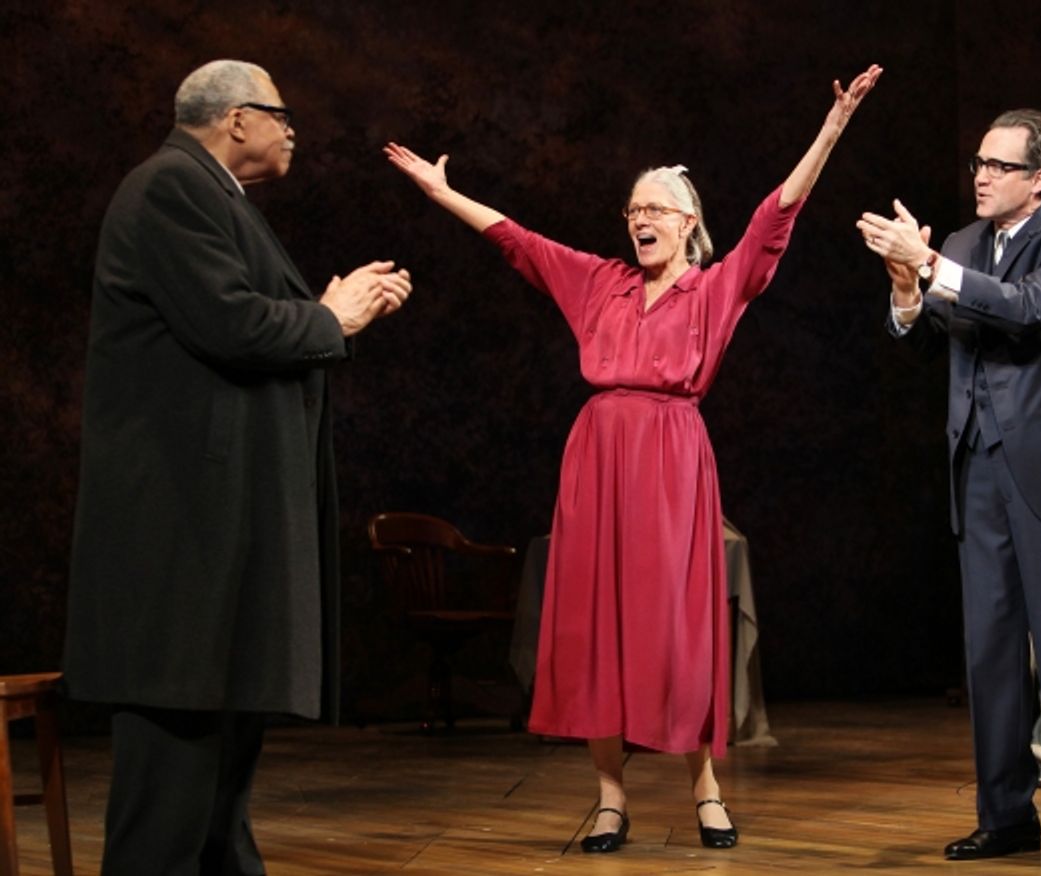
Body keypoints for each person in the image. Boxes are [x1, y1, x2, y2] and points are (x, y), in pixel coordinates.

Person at [385, 63, 881, 853]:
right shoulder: (598, 284)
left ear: (689, 222)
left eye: (656, 208)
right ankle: (610, 798)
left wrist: (832, 128)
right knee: (597, 626)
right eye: (633, 208)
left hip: (672, 459)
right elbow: (517, 240)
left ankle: (705, 789)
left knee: (676, 629)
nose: (640, 219)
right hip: (597, 462)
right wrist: (443, 194)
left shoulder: (716, 289)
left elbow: (776, 218)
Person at [64, 59, 412, 875]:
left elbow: (244, 316)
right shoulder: (170, 188)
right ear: (235, 119)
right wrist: (329, 316)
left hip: (217, 545)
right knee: (170, 806)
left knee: (218, 797)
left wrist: (320, 313)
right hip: (182, 545)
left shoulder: (214, 196)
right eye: (282, 114)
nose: (293, 129)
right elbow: (226, 324)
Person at [856, 109, 1041, 864]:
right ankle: (1004, 815)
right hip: (978, 467)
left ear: (1038, 179)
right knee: (991, 651)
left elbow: (1028, 307)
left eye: (999, 165)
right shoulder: (968, 243)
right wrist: (908, 283)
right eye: (978, 160)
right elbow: (935, 325)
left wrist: (933, 266)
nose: (980, 174)